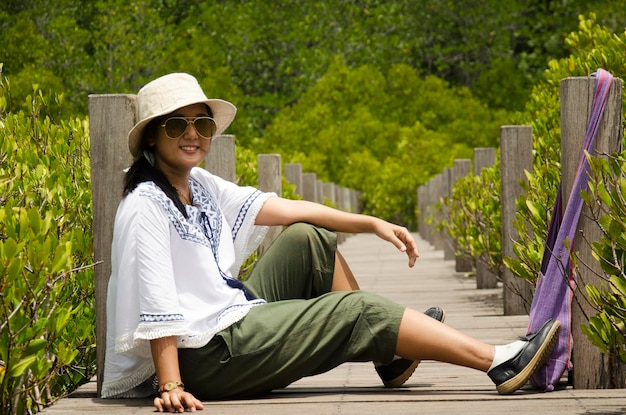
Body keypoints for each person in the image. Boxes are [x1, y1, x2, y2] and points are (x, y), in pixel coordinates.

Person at [101, 73, 561, 413]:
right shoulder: (146, 204)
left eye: (201, 124)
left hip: (225, 316)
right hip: (202, 355)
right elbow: (156, 301)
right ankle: (497, 360)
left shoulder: (197, 184)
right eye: (176, 126)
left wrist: (372, 222)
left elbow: (287, 209)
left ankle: (393, 352)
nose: (193, 135)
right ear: (152, 137)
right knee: (356, 311)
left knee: (309, 239)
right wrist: (169, 385)